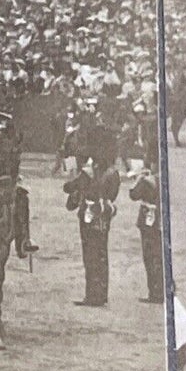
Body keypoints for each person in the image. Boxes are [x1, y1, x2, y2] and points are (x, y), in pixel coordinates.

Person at [65, 125, 120, 307]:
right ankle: (99, 293)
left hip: (92, 214)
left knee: (91, 256)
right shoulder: (111, 172)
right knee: (100, 255)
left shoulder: (92, 173)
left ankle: (93, 295)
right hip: (102, 216)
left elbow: (70, 187)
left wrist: (79, 178)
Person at [128, 154, 164, 305]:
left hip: (148, 219)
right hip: (161, 219)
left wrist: (138, 179)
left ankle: (154, 292)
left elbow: (134, 195)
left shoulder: (147, 181)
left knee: (150, 256)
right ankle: (161, 290)